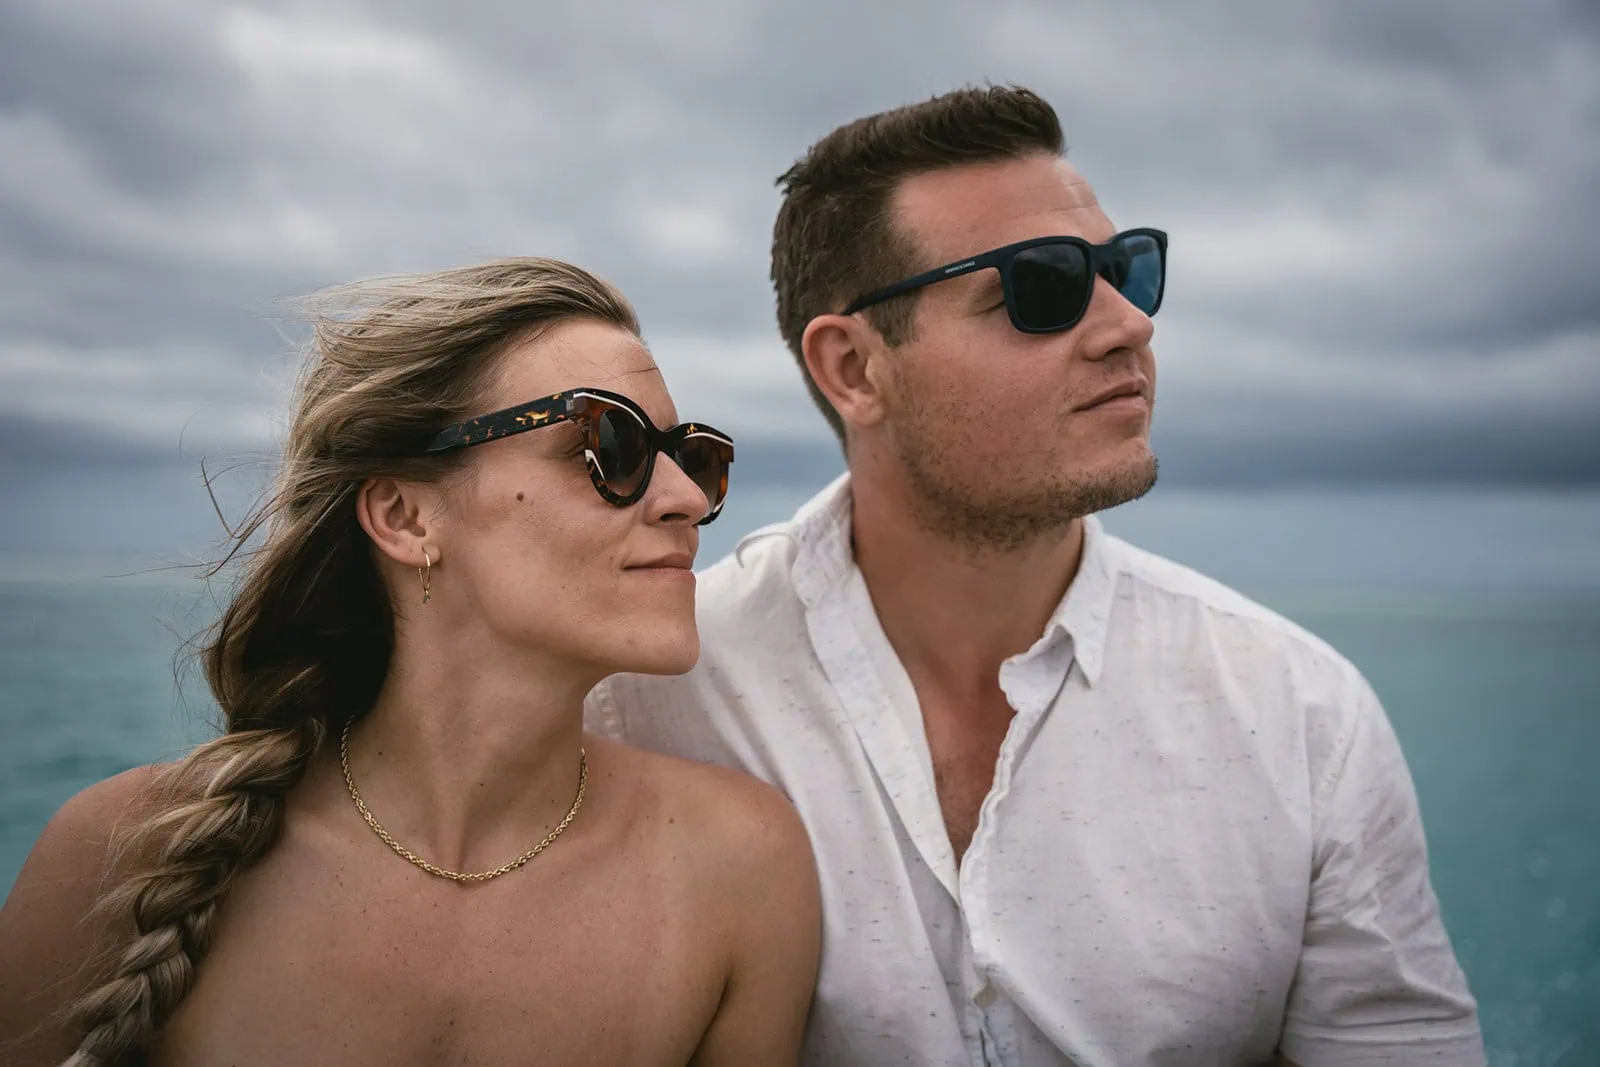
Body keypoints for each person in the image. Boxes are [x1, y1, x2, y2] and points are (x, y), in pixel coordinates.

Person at [586, 87, 1485, 1065]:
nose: (1124, 327)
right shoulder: (646, 694)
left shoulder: (1301, 714)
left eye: (1126, 271)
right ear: (853, 367)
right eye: (1042, 287)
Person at [0, 259, 821, 1066]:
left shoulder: (739, 868)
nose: (685, 498)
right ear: (404, 515)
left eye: (695, 455)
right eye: (610, 442)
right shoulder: (124, 853)